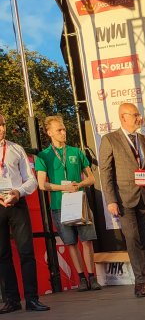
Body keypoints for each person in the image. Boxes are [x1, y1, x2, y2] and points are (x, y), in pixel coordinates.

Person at [98, 103, 145, 297]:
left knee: (143, 241)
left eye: (139, 115)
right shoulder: (110, 139)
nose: (140, 118)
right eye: (135, 115)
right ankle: (140, 284)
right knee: (132, 239)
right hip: (123, 200)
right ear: (123, 117)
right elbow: (105, 173)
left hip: (144, 198)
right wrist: (111, 200)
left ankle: (144, 282)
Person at [34, 115, 101, 292]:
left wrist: (78, 185)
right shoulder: (43, 156)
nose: (63, 132)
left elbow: (91, 178)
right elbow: (42, 185)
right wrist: (62, 187)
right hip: (59, 205)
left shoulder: (76, 152)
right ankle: (81, 278)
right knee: (70, 243)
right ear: (49, 133)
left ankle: (92, 277)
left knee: (87, 240)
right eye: (59, 130)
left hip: (79, 202)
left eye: (64, 129)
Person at [0, 112, 49, 313]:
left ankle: (32, 299)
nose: (1, 129)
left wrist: (18, 192)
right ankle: (11, 300)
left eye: (2, 124)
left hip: (17, 201)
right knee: (2, 254)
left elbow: (31, 180)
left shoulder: (16, 149)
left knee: (26, 252)